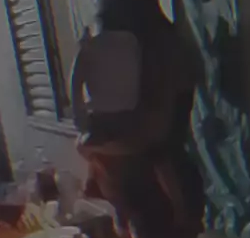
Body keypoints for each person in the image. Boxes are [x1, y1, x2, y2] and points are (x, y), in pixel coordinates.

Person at [75, 0, 213, 238]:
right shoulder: (128, 49)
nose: (103, 15)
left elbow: (153, 133)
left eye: (108, 3)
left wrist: (96, 146)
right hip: (137, 187)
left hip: (163, 187)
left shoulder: (163, 49)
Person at [71, 26, 188, 226]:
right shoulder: (129, 43)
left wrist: (82, 124)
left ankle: (138, 213)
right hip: (123, 122)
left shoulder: (103, 46)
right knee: (155, 157)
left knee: (92, 152)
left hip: (117, 125)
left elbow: (75, 87)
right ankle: (173, 210)